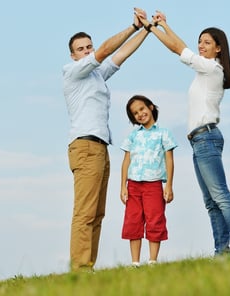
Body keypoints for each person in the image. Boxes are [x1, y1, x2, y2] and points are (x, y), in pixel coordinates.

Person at [137, 11, 230, 255]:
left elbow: (178, 48)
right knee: (211, 202)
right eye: (200, 41)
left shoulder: (211, 69)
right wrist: (161, 25)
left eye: (207, 42)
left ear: (219, 49)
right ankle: (222, 251)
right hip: (199, 140)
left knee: (221, 197)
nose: (201, 45)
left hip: (206, 138)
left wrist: (154, 27)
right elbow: (182, 47)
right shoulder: (204, 71)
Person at [62, 7, 150, 272]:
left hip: (100, 147)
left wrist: (147, 30)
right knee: (85, 212)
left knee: (97, 214)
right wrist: (132, 27)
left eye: (88, 47)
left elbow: (120, 55)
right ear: (73, 55)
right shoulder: (73, 73)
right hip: (85, 146)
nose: (87, 51)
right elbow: (105, 51)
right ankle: (79, 270)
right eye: (82, 49)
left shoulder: (97, 76)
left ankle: (88, 266)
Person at [120, 95, 177, 267]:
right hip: (134, 185)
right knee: (133, 221)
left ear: (151, 107)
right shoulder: (133, 136)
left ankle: (152, 261)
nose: (140, 114)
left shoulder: (163, 133)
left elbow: (169, 160)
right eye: (135, 113)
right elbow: (126, 161)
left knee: (155, 219)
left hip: (154, 184)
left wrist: (169, 185)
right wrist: (123, 186)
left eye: (142, 109)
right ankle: (135, 263)